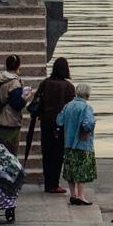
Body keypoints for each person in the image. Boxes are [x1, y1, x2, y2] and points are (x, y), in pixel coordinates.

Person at [29, 57, 76, 194]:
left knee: (47, 153)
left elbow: (37, 100)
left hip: (45, 123)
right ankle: (54, 184)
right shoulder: (68, 87)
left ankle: (48, 183)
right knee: (57, 154)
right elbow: (71, 109)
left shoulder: (45, 83)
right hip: (60, 126)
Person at [56, 84, 96, 206]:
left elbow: (59, 121)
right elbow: (87, 125)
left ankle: (73, 195)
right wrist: (93, 123)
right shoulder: (86, 108)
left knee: (71, 171)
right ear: (87, 95)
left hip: (68, 143)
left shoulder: (68, 106)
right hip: (82, 144)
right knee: (82, 171)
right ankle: (81, 196)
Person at [0, 55, 28, 152]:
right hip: (10, 124)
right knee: (9, 156)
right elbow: (17, 105)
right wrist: (25, 98)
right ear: (18, 66)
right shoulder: (14, 83)